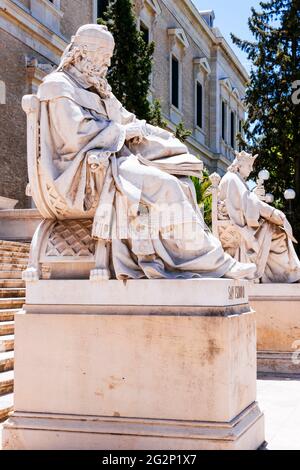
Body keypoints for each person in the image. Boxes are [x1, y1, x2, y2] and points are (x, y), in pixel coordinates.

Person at [37, 24, 256, 281]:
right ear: (83, 53)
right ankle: (213, 263)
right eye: (103, 57)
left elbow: (127, 119)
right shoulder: (58, 86)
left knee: (181, 182)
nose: (107, 64)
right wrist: (122, 132)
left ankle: (185, 259)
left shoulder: (99, 90)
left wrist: (164, 139)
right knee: (164, 185)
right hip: (83, 170)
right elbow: (75, 133)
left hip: (113, 160)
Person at [218, 151, 300, 283]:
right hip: (242, 229)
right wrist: (272, 212)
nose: (251, 169)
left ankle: (287, 273)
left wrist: (254, 196)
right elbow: (249, 203)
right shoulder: (232, 179)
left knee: (277, 231)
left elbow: (247, 201)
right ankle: (286, 275)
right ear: (239, 166)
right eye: (249, 166)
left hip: (242, 225)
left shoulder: (234, 179)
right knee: (279, 234)